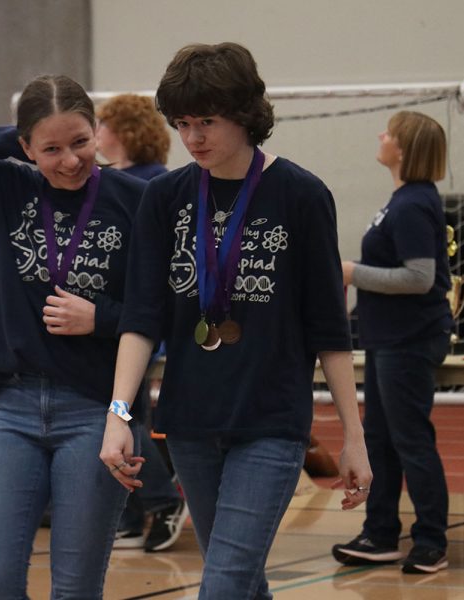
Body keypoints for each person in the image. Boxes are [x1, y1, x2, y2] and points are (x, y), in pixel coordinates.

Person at [98, 42, 372, 599]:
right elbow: (141, 318)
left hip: (270, 423)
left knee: (222, 584)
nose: (193, 137)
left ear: (245, 113)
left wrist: (353, 436)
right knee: (243, 583)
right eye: (182, 124)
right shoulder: (165, 198)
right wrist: (118, 414)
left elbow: (329, 329)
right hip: (192, 424)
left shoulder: (302, 195)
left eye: (207, 121)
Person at [0, 74, 146, 599]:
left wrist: (102, 317)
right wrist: (22, 133)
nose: (69, 161)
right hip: (13, 409)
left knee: (75, 589)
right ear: (24, 146)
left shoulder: (138, 199)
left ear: (98, 132)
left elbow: (168, 311)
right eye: (51, 148)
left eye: (81, 142)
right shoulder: (8, 187)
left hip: (96, 411)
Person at [332, 111, 452, 575]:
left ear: (403, 148)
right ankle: (380, 533)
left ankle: (431, 542)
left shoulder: (415, 203)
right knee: (381, 439)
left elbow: (420, 278)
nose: (380, 136)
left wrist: (349, 271)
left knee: (410, 440)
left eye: (389, 132)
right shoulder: (402, 199)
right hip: (388, 339)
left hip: (411, 339)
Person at [96, 93, 189, 552]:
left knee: (120, 417)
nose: (96, 133)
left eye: (101, 124)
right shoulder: (110, 180)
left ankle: (162, 498)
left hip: (132, 322)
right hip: (110, 325)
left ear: (123, 130)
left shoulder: (153, 185)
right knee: (125, 418)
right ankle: (131, 515)